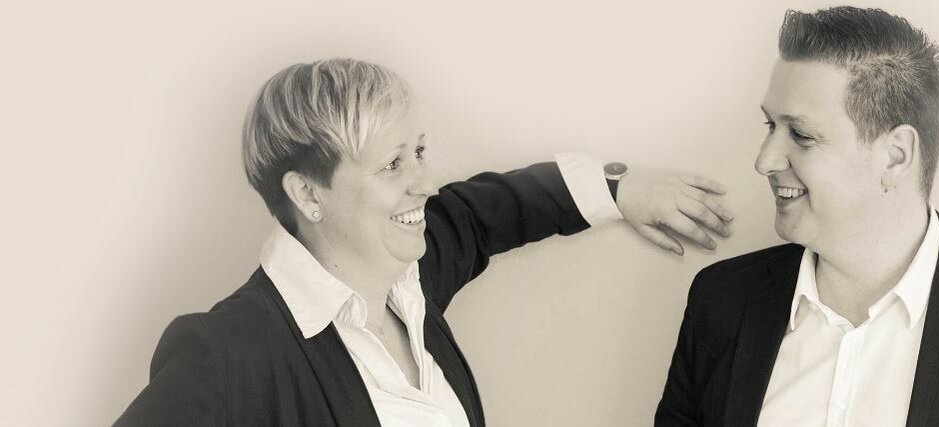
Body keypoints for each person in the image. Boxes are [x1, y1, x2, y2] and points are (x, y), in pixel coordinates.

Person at [115, 58, 733, 426]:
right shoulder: (228, 353)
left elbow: (491, 211)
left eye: (419, 152)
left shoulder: (409, 275)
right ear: (307, 193)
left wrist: (619, 187)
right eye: (392, 164)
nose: (424, 183)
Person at [655, 6, 939, 427]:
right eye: (770, 126)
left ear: (895, 156)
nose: (764, 161)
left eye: (801, 135)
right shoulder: (721, 301)